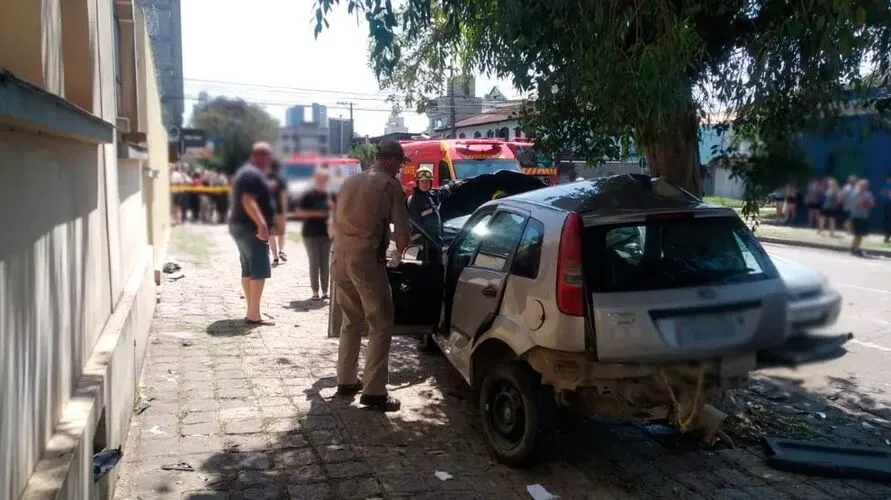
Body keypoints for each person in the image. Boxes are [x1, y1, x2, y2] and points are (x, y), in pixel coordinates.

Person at [332, 140, 411, 412]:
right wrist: (398, 254)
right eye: (400, 163)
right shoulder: (390, 185)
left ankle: (345, 380)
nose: (401, 169)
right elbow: (403, 231)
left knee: (351, 319)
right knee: (381, 322)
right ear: (391, 160)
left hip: (339, 255)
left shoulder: (350, 182)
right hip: (365, 258)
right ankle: (374, 392)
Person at [229, 142, 276, 325]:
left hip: (240, 226)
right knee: (259, 269)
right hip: (250, 228)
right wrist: (262, 224)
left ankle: (252, 309)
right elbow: (248, 200)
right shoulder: (253, 174)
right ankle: (254, 314)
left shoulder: (245, 172)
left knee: (248, 268)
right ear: (261, 157)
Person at [295, 168, 334, 300]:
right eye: (319, 179)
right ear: (315, 180)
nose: (321, 181)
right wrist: (318, 214)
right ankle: (315, 291)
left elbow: (337, 212)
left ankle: (325, 291)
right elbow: (299, 212)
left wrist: (332, 209)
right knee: (314, 262)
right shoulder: (308, 195)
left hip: (326, 233)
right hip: (310, 234)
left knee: (325, 263)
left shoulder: (330, 195)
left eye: (324, 179)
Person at [407, 166, 444, 244]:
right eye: (422, 181)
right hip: (425, 243)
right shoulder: (415, 200)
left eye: (427, 181)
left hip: (434, 241)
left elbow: (441, 191)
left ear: (431, 183)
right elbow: (417, 225)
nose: (425, 184)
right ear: (418, 183)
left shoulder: (430, 195)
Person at [267, 160, 288, 266]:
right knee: (281, 232)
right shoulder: (281, 180)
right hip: (279, 210)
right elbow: (283, 196)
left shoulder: (263, 179)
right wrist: (284, 211)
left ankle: (275, 257)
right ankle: (281, 251)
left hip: (268, 211)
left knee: (271, 235)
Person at [850, 179, 875, 256]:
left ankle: (857, 247)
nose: (864, 187)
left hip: (864, 216)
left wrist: (865, 203)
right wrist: (866, 203)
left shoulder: (868, 194)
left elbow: (872, 204)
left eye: (865, 186)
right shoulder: (855, 193)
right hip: (856, 216)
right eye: (862, 185)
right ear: (859, 185)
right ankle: (853, 248)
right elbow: (858, 204)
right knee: (857, 233)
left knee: (861, 234)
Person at [881, 174, 891, 243]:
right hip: (887, 204)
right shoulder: (886, 185)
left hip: (888, 204)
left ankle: (887, 236)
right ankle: (887, 236)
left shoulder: (887, 185)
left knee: (888, 221)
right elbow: (882, 192)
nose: (887, 180)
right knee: (887, 220)